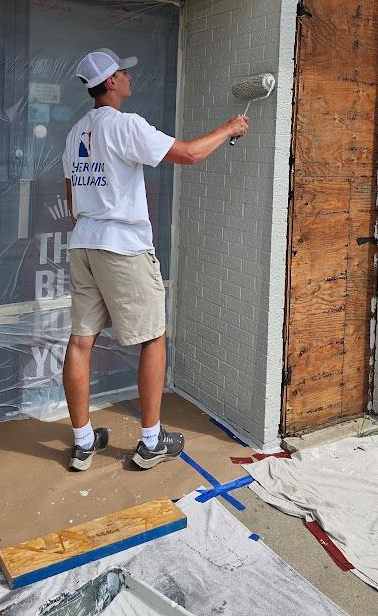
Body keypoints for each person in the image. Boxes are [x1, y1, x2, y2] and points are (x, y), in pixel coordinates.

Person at [62, 48, 248, 471]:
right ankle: (150, 442)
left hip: (83, 242)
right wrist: (230, 127)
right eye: (123, 72)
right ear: (110, 82)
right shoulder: (125, 126)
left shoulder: (75, 134)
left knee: (80, 340)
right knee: (153, 337)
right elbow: (190, 154)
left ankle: (83, 441)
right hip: (123, 246)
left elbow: (72, 198)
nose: (129, 77)